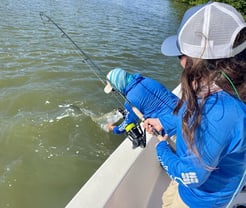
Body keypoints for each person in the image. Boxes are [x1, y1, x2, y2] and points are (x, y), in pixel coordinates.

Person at [144, 2, 246, 208]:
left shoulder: (218, 113)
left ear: (197, 60)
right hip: (189, 185)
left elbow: (191, 175)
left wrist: (162, 148)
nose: (179, 61)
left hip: (201, 201)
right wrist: (163, 122)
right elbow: (189, 110)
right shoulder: (219, 83)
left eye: (181, 55)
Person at [104, 67, 178, 135]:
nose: (116, 92)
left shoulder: (130, 100)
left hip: (172, 128)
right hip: (184, 111)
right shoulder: (147, 80)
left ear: (118, 85)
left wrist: (113, 128)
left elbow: (125, 126)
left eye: (114, 89)